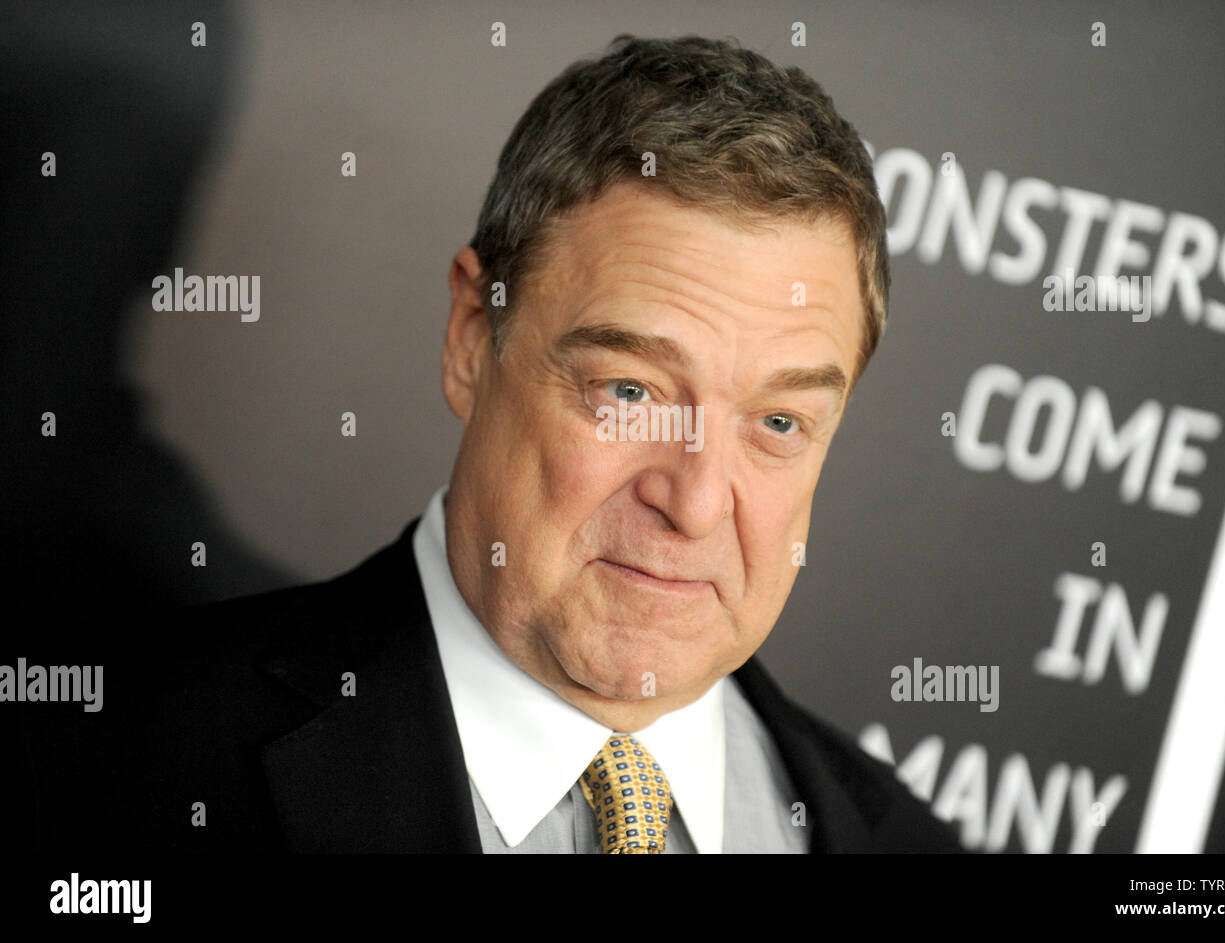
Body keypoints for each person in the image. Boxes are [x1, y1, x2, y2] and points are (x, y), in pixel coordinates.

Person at [20, 34, 964, 854]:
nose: (696, 501)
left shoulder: (905, 846)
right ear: (475, 337)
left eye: (778, 423)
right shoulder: (111, 775)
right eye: (629, 391)